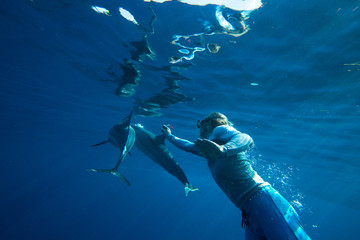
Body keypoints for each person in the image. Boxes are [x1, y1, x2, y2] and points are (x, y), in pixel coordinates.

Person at [162, 112, 310, 240]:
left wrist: (223, 150)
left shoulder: (219, 131)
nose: (199, 128)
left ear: (208, 123)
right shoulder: (208, 147)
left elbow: (246, 138)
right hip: (249, 212)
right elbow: (186, 145)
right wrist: (169, 136)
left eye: (200, 124)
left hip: (263, 201)